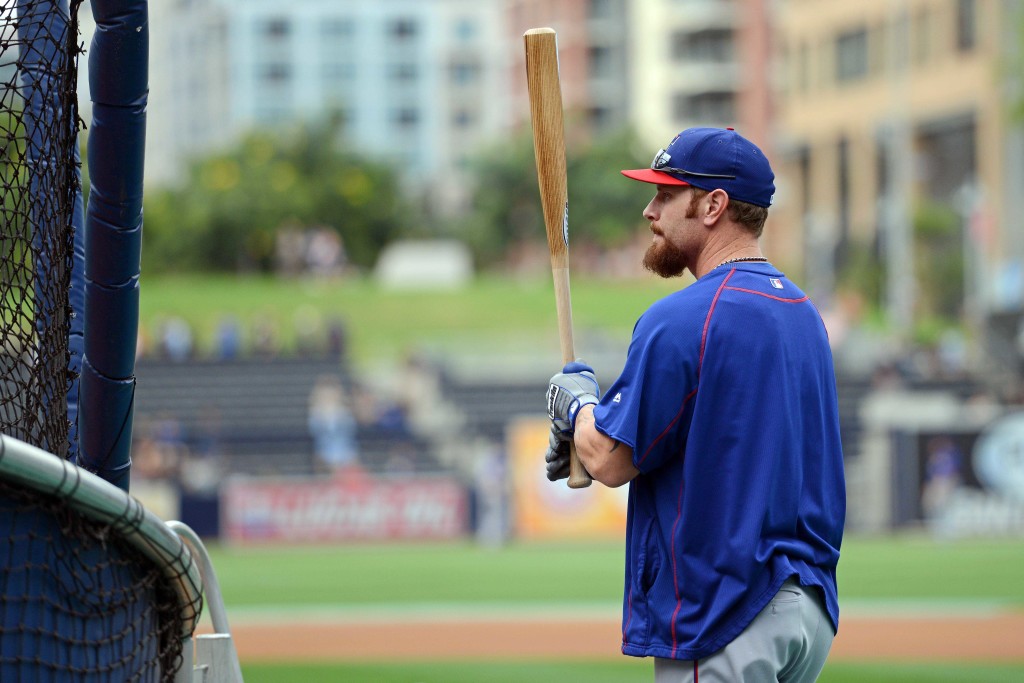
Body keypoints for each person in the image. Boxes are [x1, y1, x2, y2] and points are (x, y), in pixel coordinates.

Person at [544, 127, 846, 682]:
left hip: (728, 613)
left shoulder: (682, 318)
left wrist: (577, 407)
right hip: (809, 609)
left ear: (713, 205)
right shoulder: (806, 314)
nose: (648, 210)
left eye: (665, 194)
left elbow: (610, 459)